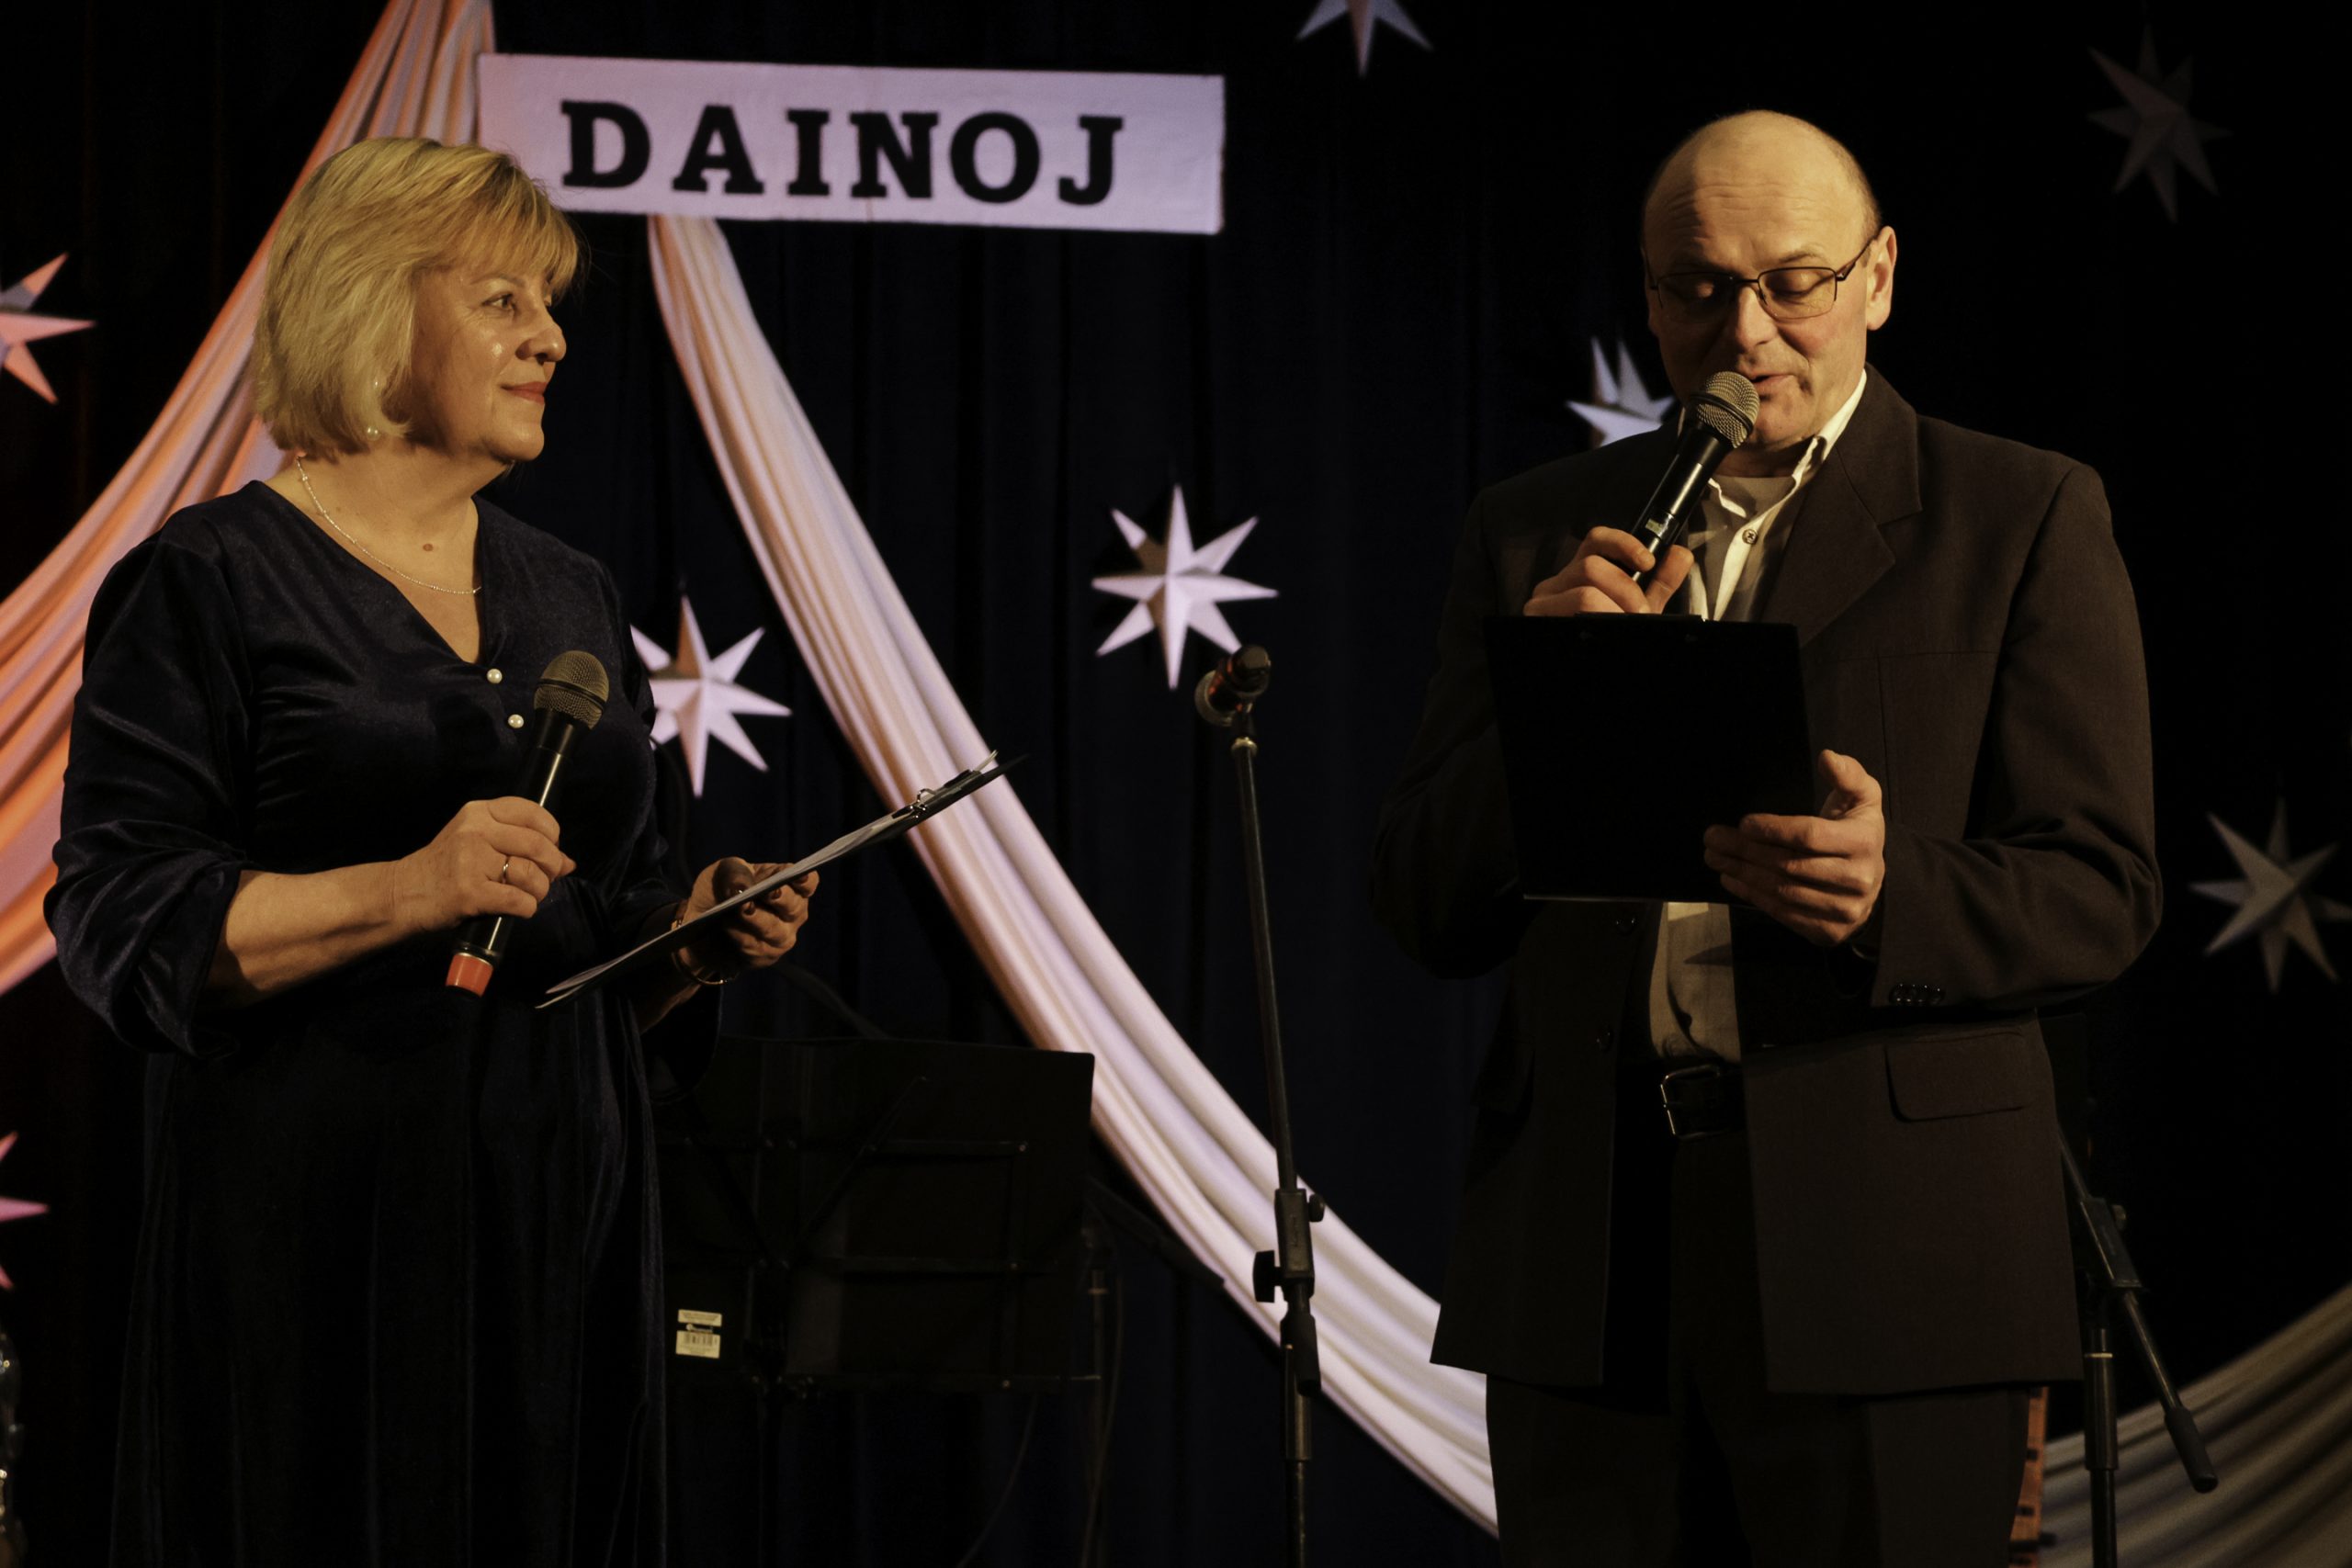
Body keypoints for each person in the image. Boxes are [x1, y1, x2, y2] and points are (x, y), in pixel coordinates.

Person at [1372, 111, 2160, 1566]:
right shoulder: (1535, 529)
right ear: (1650, 294)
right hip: (1593, 1263)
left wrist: (1889, 894)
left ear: (1878, 277)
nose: (1744, 333)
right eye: (1698, 288)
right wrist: (1544, 712)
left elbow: (2101, 889)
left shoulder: (2018, 512)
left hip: (1892, 1262)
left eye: (1793, 283)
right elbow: (1425, 901)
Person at [46, 137, 816, 1566]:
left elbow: (605, 926)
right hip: (316, 1233)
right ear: (372, 309)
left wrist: (689, 943)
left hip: (561, 1230)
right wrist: (408, 890)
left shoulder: (569, 590)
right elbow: (120, 922)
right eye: (503, 300)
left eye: (552, 304)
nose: (552, 338)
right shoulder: (209, 580)